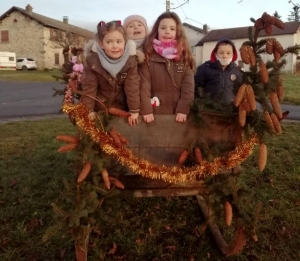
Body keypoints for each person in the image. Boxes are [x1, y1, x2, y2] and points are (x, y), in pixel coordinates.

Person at [81, 21, 140, 126]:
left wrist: (134, 110)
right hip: (100, 107)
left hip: (122, 107)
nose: (115, 46)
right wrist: (89, 110)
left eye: (119, 42)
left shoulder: (130, 61)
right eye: (109, 42)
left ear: (125, 42)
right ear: (101, 44)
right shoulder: (93, 61)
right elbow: (89, 87)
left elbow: (132, 86)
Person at [139, 11, 195, 123]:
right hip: (154, 114)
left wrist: (183, 108)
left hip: (178, 114)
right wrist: (146, 109)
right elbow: (143, 86)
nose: (167, 32)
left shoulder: (184, 57)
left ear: (178, 32)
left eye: (172, 29)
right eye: (163, 28)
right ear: (157, 30)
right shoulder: (148, 56)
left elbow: (188, 88)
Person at [194, 38, 242, 104]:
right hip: (208, 109)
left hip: (230, 110)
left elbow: (240, 90)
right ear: (215, 53)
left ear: (233, 54)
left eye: (228, 53)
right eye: (221, 53)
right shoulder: (205, 68)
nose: (224, 56)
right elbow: (196, 87)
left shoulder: (237, 71)